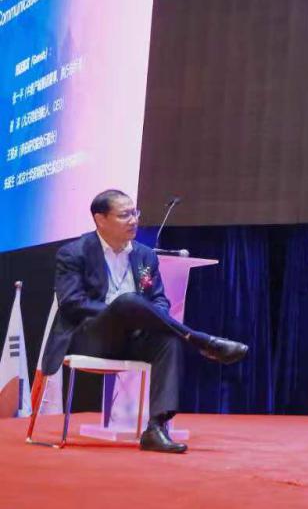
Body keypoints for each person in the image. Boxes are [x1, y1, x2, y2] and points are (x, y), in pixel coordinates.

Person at [44, 189, 248, 454]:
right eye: (124, 215)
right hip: (90, 337)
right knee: (127, 302)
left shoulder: (144, 255)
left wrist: (142, 317)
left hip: (133, 338)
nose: (134, 220)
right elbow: (72, 303)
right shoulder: (74, 253)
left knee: (168, 340)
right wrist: (119, 310)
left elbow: (159, 300)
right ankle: (201, 340)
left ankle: (156, 428)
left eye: (135, 213)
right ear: (100, 219)